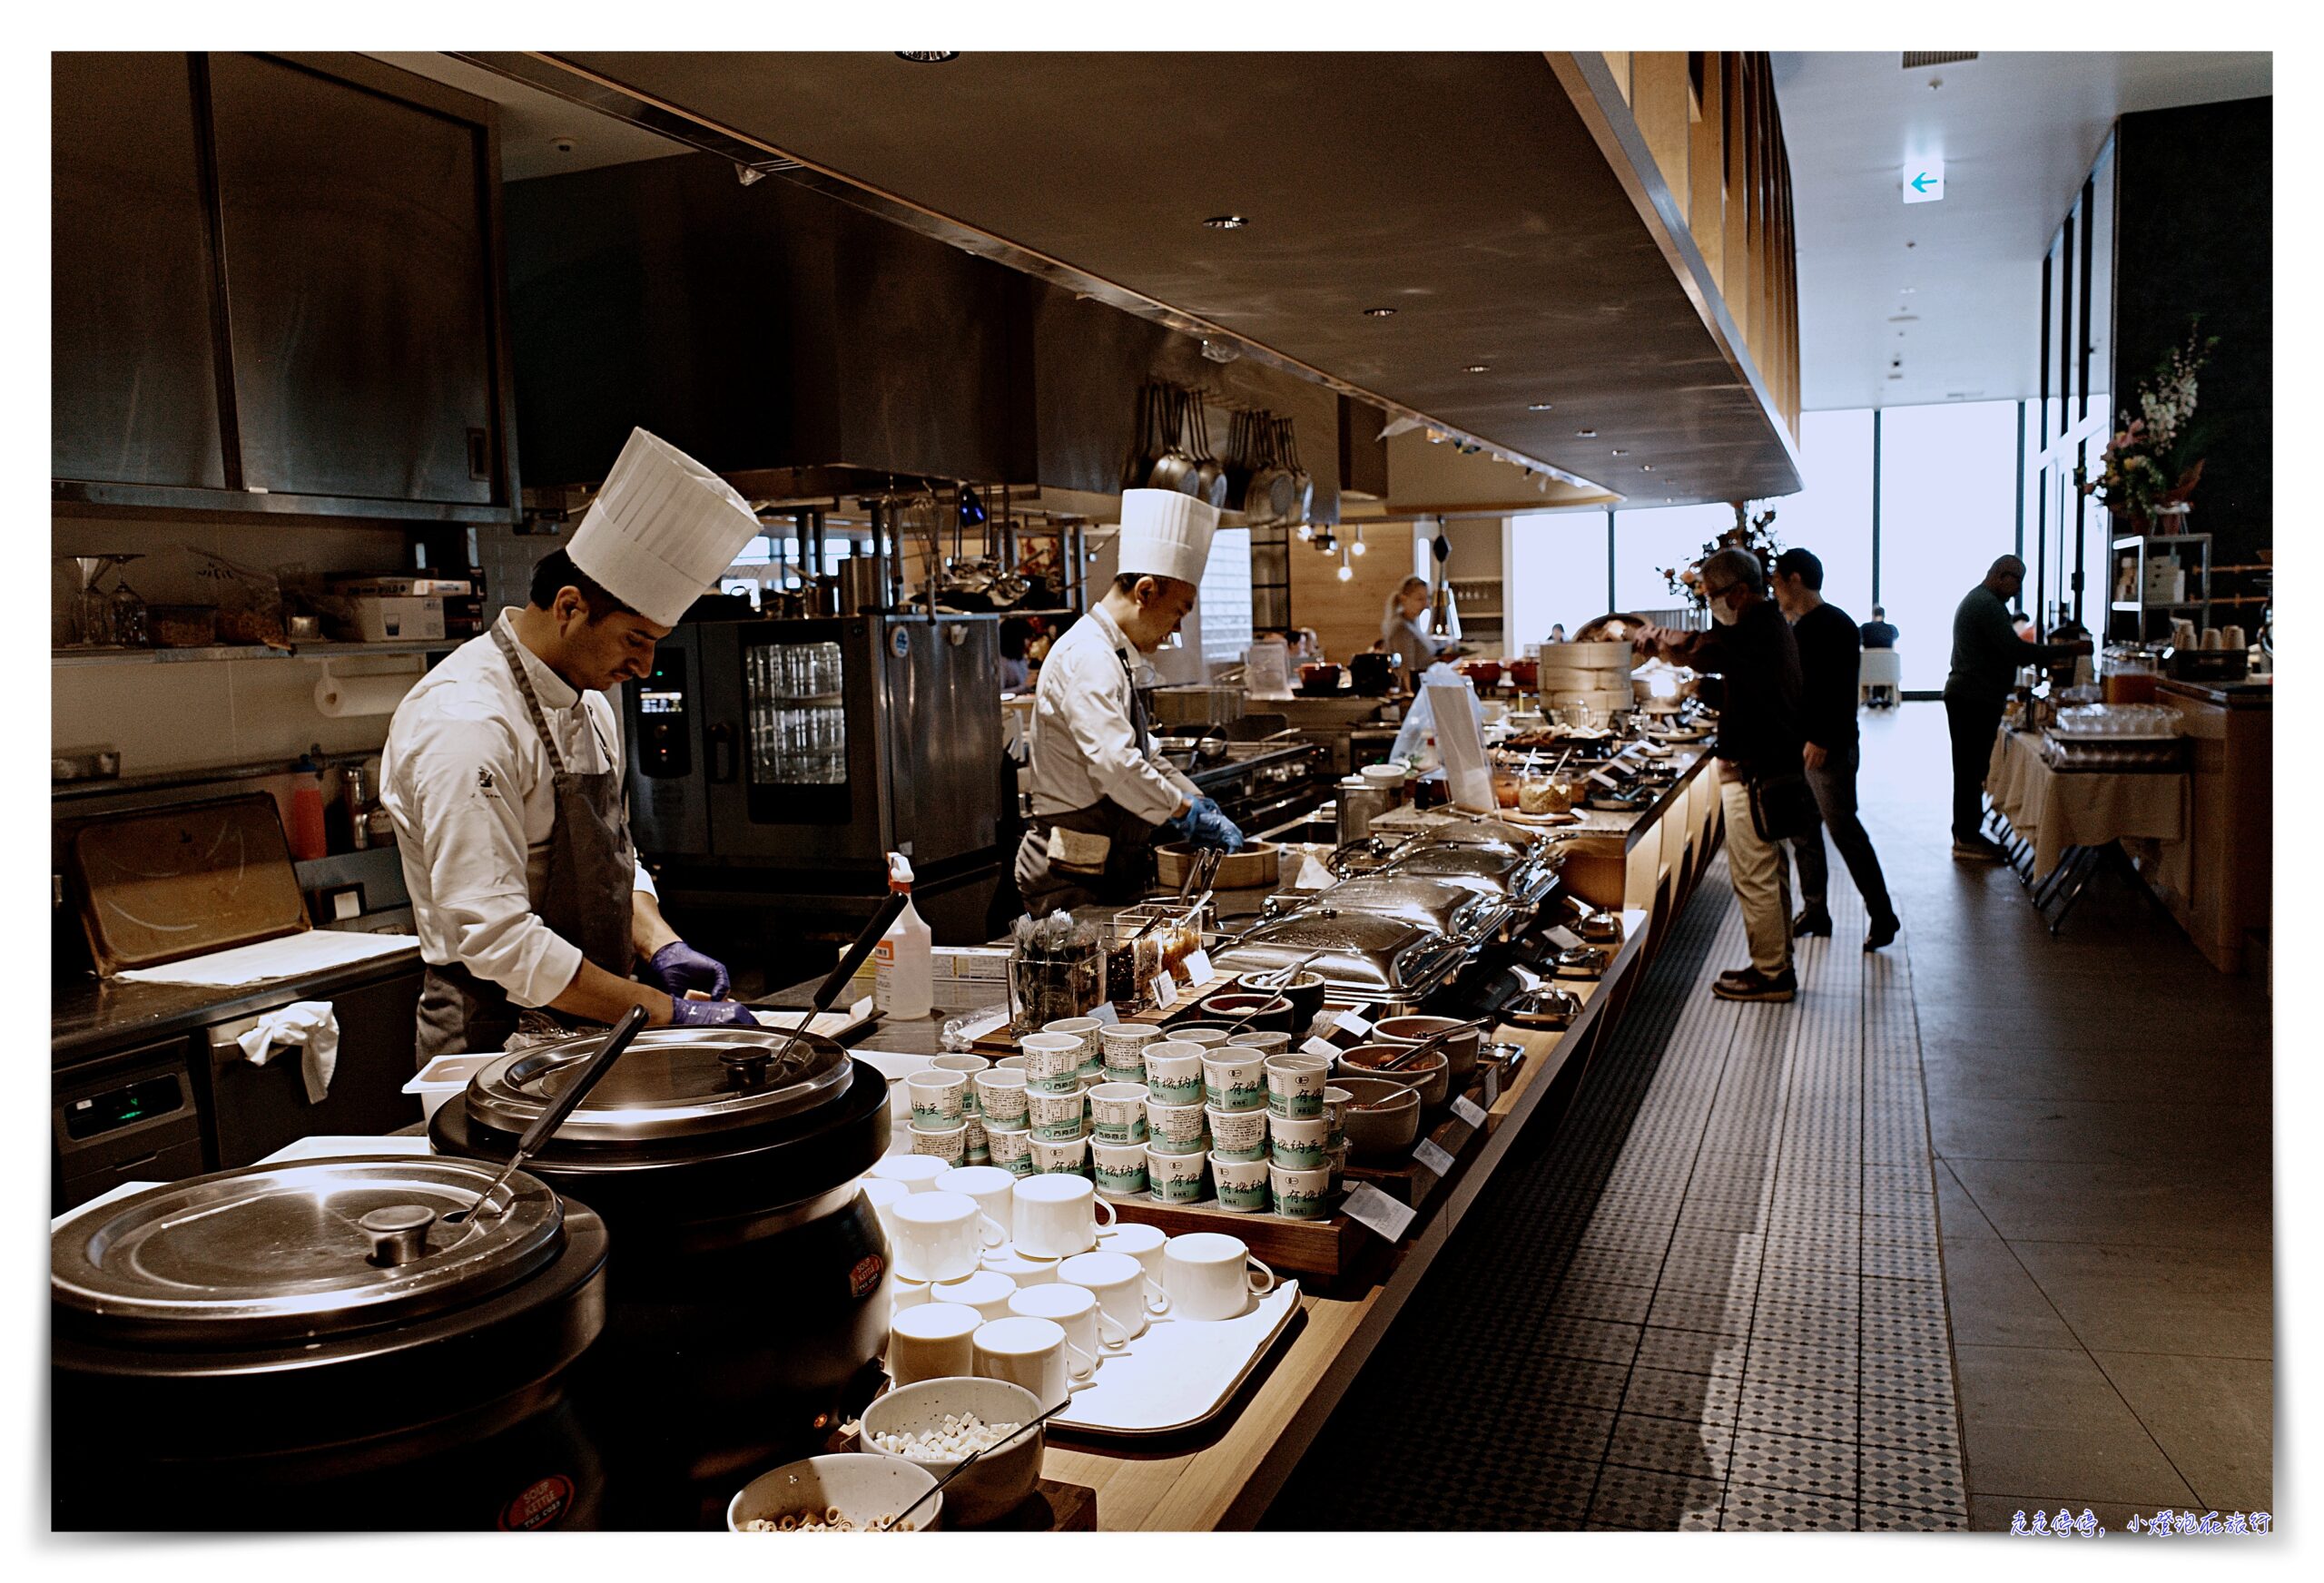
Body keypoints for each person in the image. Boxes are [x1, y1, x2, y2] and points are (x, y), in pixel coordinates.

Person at [382, 428, 765, 1059]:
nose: (644, 668)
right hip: (492, 1035)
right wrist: (666, 1012)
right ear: (568, 607)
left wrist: (660, 943)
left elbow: (613, 858)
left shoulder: (589, 704)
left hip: (600, 1018)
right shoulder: (466, 724)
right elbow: (498, 941)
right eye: (635, 640)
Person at [1013, 490, 1245, 918]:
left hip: (1100, 868)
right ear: (1146, 590)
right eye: (1178, 612)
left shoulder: (1113, 653)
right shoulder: (1089, 656)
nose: (1175, 630)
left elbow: (1145, 754)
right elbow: (1116, 765)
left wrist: (1195, 799)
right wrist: (1183, 810)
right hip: (1070, 877)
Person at [1634, 548, 1806, 1002]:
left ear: (1741, 591)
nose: (1711, 605)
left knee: (1754, 874)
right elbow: (1748, 686)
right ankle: (1778, 961)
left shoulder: (1756, 629)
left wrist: (1658, 640)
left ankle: (1771, 974)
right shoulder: (1768, 629)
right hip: (1769, 766)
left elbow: (1707, 648)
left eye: (1712, 596)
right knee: (1770, 870)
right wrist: (1704, 689)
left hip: (1755, 769)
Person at [1771, 549, 1899, 951]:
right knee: (1804, 833)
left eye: (1776, 582)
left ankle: (1883, 916)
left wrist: (1823, 739)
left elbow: (1840, 692)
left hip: (1828, 748)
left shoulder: (1834, 624)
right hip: (1803, 747)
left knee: (1845, 832)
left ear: (1794, 578)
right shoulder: (1804, 626)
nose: (1775, 591)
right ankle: (1816, 911)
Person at [1944, 556, 2093, 861]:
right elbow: (2018, 652)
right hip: (1973, 699)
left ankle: (1966, 833)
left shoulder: (1983, 601)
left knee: (1971, 770)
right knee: (1970, 771)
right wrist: (2069, 650)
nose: (2017, 591)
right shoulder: (1986, 605)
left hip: (1970, 696)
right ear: (2001, 575)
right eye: (2017, 582)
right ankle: (1966, 837)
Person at [1381, 575, 1453, 688]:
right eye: (1419, 599)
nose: (1426, 605)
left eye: (1427, 598)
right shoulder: (1401, 628)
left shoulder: (1413, 624)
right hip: (1415, 693)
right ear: (1404, 599)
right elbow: (1406, 670)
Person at [998, 615, 1035, 692]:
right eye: (1027, 638)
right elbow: (999, 693)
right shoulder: (1002, 662)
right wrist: (1024, 687)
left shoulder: (1021, 659)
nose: (1029, 642)